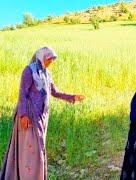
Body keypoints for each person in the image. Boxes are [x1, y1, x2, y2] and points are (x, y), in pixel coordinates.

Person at [1, 47, 85, 180]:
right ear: (42, 57)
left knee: (38, 149)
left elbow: (55, 92)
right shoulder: (29, 71)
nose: (51, 61)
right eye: (49, 58)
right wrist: (23, 115)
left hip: (41, 117)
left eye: (52, 59)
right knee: (29, 150)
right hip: (29, 116)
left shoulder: (47, 74)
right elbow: (22, 93)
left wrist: (72, 97)